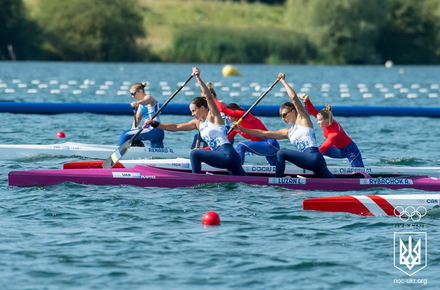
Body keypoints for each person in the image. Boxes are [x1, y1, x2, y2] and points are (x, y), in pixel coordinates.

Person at [145, 67, 247, 176]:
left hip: (228, 155)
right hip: (224, 157)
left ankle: (195, 179)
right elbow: (176, 127)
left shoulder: (214, 116)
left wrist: (198, 77)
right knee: (247, 182)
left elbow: (208, 96)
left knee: (194, 153)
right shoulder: (197, 123)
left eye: (194, 111)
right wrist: (155, 124)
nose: (192, 114)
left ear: (202, 108)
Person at [233, 73, 335, 178]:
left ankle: (278, 180)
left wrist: (282, 81)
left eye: (284, 114)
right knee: (335, 184)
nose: (283, 118)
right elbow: (262, 133)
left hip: (313, 157)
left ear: (293, 112)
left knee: (281, 153)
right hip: (312, 161)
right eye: (281, 116)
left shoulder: (303, 119)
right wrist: (241, 129)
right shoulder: (288, 132)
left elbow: (294, 97)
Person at [212, 98, 280, 165]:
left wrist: (211, 98)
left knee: (240, 145)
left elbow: (222, 109)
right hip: (263, 147)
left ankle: (237, 168)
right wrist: (203, 150)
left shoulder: (244, 115)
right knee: (275, 170)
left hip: (270, 144)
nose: (226, 117)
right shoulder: (235, 127)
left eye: (228, 115)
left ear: (235, 112)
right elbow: (223, 142)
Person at [302, 95, 364, 167]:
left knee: (360, 171)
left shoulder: (334, 133)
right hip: (337, 150)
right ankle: (316, 168)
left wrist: (306, 158)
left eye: (319, 120)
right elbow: (312, 110)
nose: (317, 122)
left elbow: (324, 147)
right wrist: (307, 101)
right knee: (315, 148)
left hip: (351, 150)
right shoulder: (326, 121)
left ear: (327, 120)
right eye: (317, 119)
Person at [117, 83, 165, 148]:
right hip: (155, 131)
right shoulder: (141, 104)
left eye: (133, 94)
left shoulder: (149, 98)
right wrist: (133, 129)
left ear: (140, 91)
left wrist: (137, 102)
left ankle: (115, 153)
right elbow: (137, 119)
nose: (132, 96)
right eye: (131, 94)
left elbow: (147, 101)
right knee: (158, 155)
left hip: (153, 129)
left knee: (125, 134)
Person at [191, 82, 232, 149]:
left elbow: (229, 112)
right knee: (199, 134)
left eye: (204, 97)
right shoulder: (205, 106)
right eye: (202, 98)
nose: (203, 99)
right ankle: (195, 149)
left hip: (224, 128)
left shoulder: (220, 103)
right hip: (213, 128)